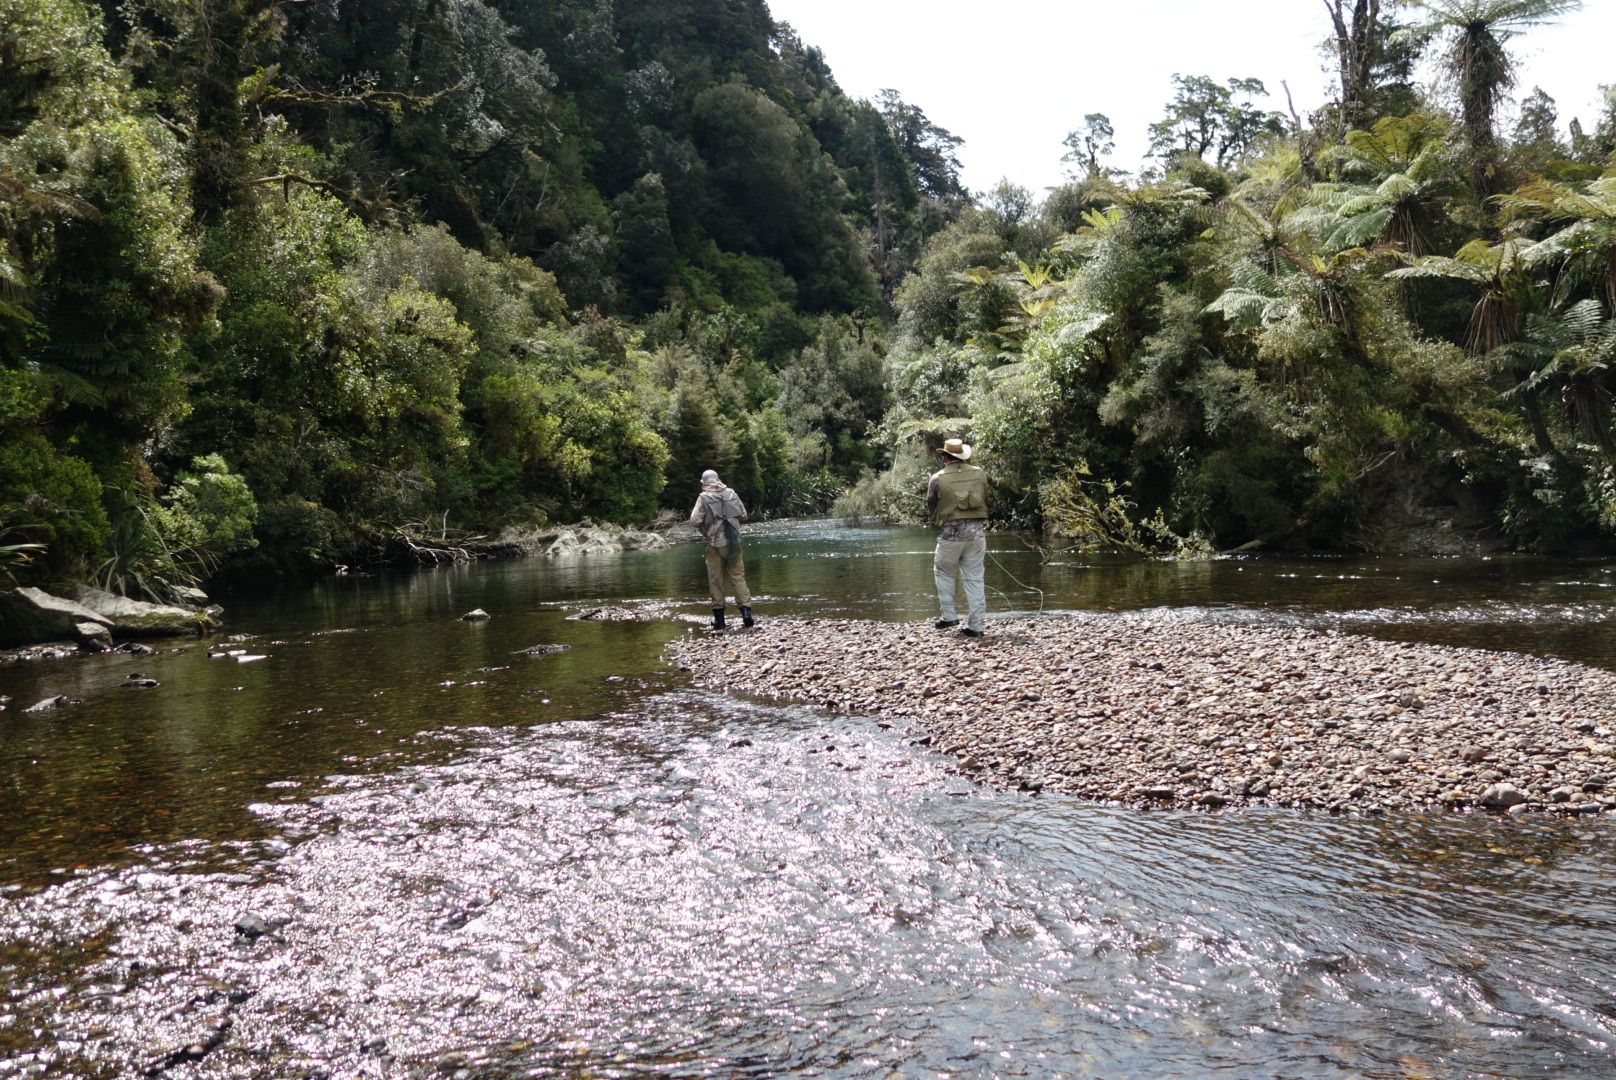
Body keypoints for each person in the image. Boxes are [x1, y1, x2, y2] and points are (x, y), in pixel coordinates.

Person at [927, 437, 987, 637]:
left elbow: (931, 505)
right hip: (977, 535)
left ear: (945, 457)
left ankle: (949, 616)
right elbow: (985, 498)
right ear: (963, 456)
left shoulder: (937, 478)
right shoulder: (980, 473)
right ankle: (976, 627)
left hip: (951, 536)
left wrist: (937, 517)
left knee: (943, 571)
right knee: (974, 578)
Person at [689, 469, 753, 630]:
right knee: (738, 577)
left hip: (716, 544)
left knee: (715, 579)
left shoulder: (703, 497)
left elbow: (694, 521)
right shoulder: (731, 493)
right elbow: (744, 515)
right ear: (718, 479)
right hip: (735, 543)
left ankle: (720, 620)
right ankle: (746, 613)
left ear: (704, 483)